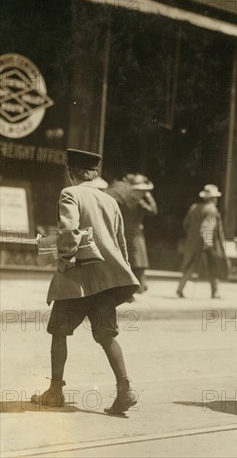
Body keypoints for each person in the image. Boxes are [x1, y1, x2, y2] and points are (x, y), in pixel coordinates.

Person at [31, 149, 139, 415]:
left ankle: (55, 391)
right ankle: (125, 388)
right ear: (93, 173)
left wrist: (64, 262)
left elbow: (69, 232)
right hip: (106, 279)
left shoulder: (70, 194)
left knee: (59, 332)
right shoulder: (110, 201)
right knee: (106, 335)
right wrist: (122, 275)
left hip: (78, 279)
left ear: (71, 172)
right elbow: (120, 243)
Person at [176, 184, 228, 299]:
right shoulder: (212, 209)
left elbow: (186, 224)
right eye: (215, 197)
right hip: (208, 243)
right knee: (213, 265)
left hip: (193, 241)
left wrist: (193, 235)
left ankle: (180, 288)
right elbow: (207, 226)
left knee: (190, 265)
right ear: (213, 198)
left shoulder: (194, 207)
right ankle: (215, 292)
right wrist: (208, 243)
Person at [116, 173, 158, 294]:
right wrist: (149, 197)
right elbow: (153, 210)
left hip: (123, 233)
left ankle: (136, 286)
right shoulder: (139, 202)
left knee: (129, 260)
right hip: (136, 235)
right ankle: (136, 287)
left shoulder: (122, 200)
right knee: (139, 262)